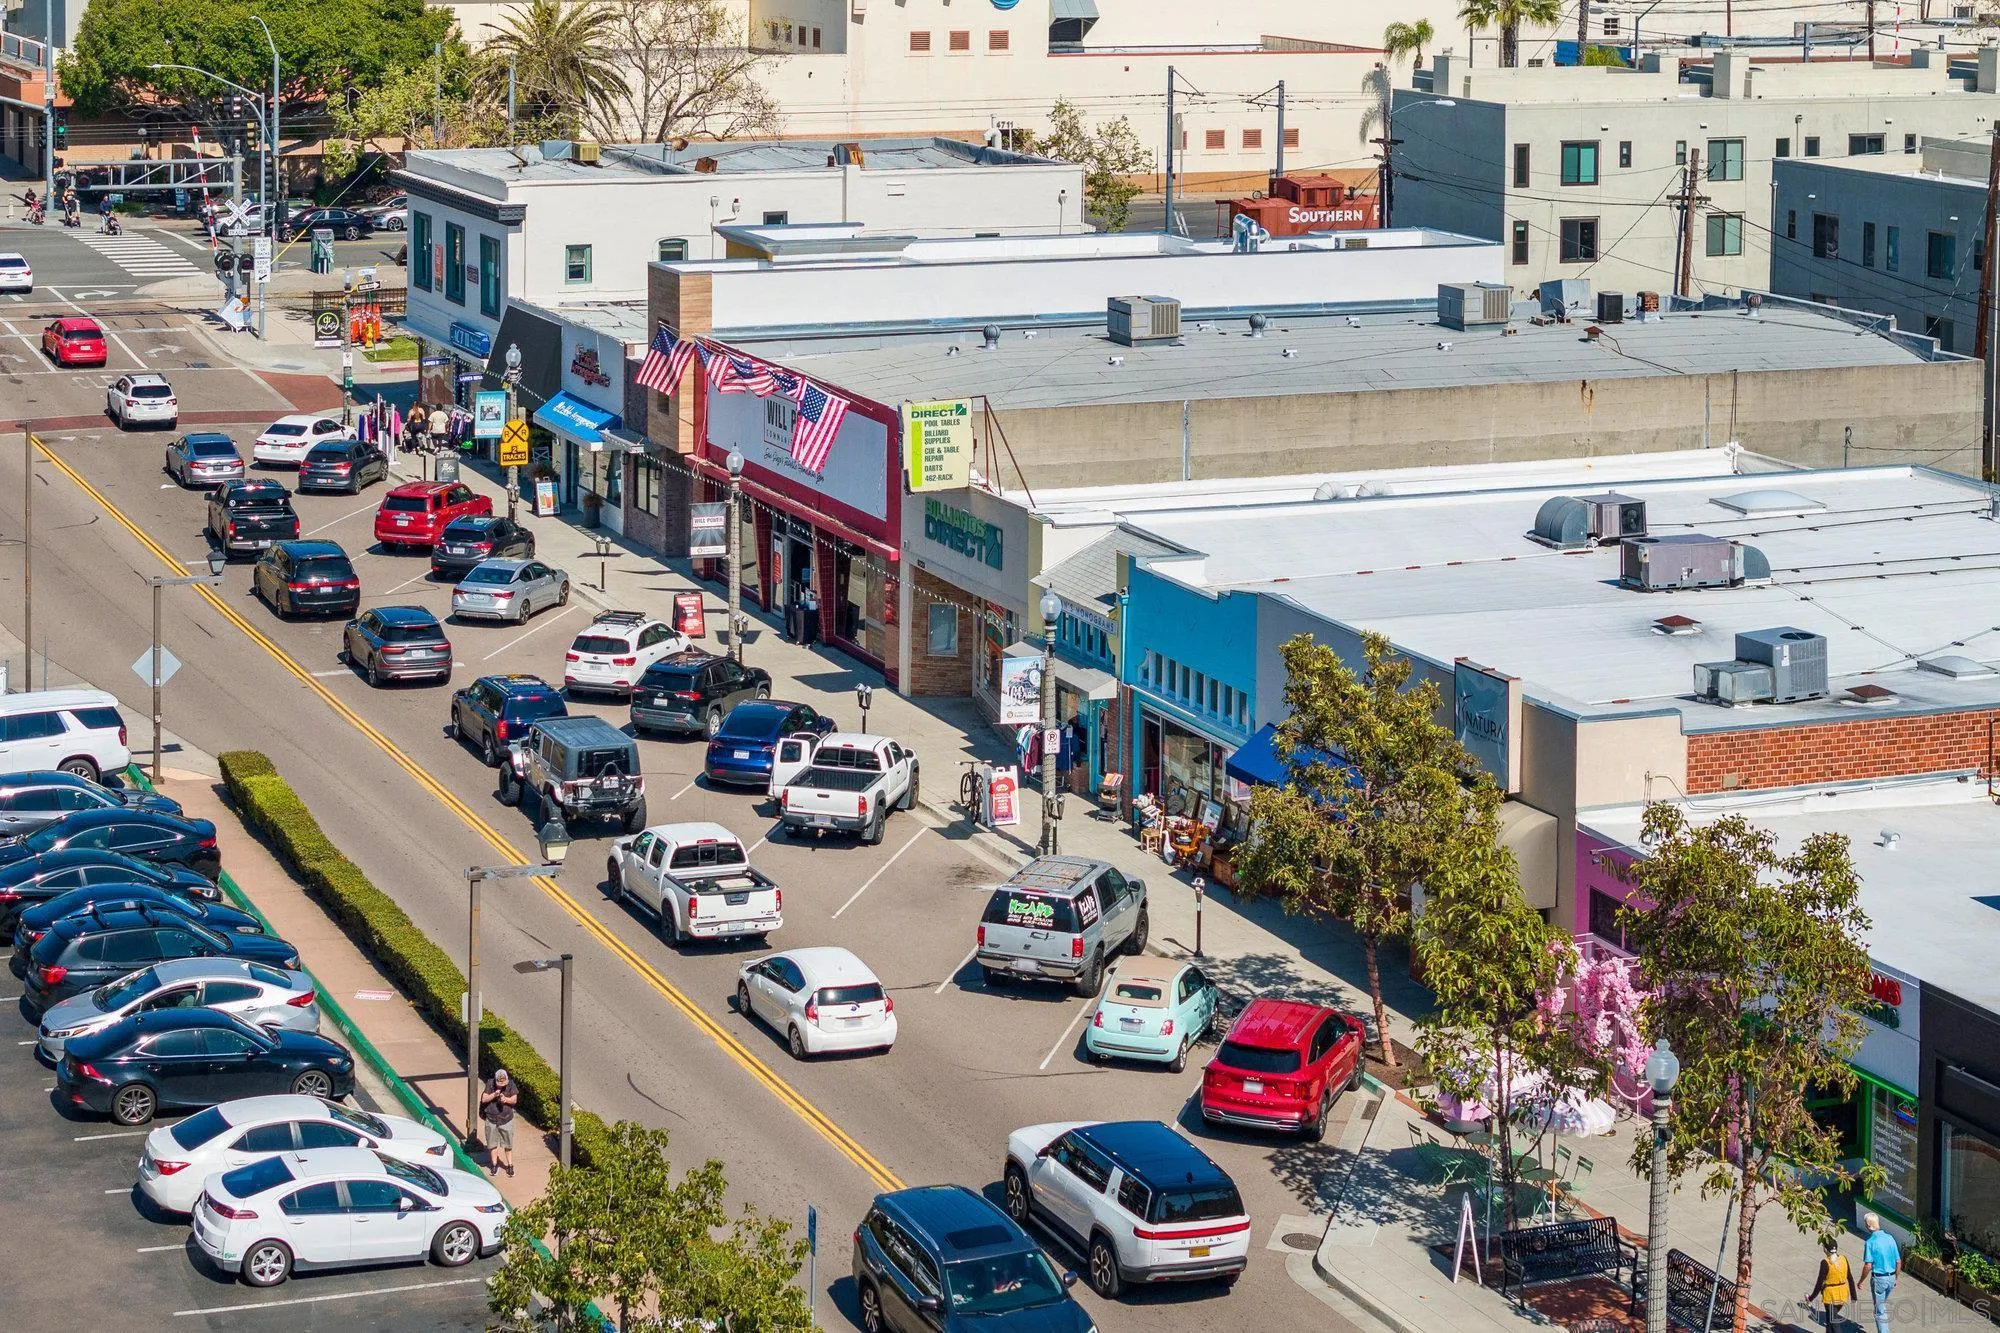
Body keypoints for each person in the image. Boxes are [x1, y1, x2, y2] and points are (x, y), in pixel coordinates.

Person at [1859, 1213, 1900, 1333]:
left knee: (1880, 1311)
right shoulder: (1890, 1238)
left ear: (1868, 1225)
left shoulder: (1870, 1242)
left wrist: (1861, 1281)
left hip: (1879, 1280)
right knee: (1881, 1306)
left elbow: (1868, 1265)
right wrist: (1896, 1278)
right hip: (1891, 1277)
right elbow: (1898, 1261)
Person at [1805, 1237, 1853, 1331]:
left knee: (1834, 1323)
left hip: (1831, 1296)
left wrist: (1811, 1298)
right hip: (1843, 1293)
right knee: (1830, 1320)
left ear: (1825, 1249)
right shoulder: (1843, 1259)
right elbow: (1850, 1278)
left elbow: (1819, 1283)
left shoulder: (1825, 1262)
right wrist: (1854, 1296)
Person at [479, 1067, 518, 1176]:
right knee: (492, 1144)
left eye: (503, 1083)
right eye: (499, 1083)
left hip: (506, 1119)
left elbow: (514, 1100)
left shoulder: (511, 1085)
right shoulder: (490, 1084)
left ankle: (510, 1165)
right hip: (491, 1119)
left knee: (508, 1144)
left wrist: (505, 1100)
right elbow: (484, 1099)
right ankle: (494, 1165)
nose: (501, 1086)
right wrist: (494, 1095)